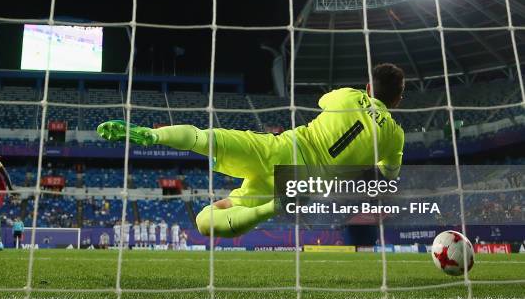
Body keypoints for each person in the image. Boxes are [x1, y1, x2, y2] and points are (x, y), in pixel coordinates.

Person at [97, 64, 405, 238]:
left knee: (204, 139)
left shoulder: (349, 96)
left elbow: (324, 102)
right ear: (397, 101)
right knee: (208, 221)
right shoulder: (395, 136)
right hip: (307, 184)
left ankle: (152, 134)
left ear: (367, 87)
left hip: (285, 149)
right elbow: (389, 173)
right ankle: (270, 208)